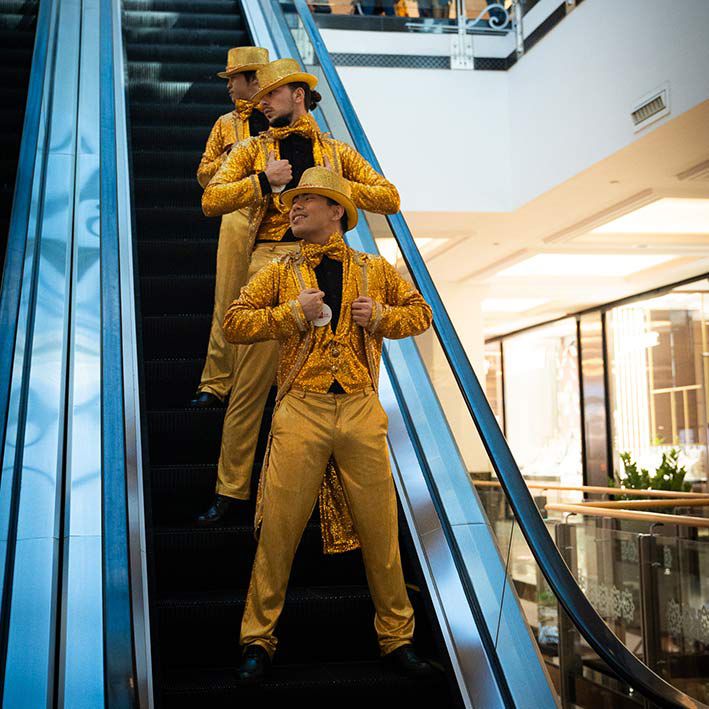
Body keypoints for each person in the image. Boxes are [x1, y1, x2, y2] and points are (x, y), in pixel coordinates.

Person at [221, 166, 435, 683]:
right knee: (278, 530)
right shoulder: (280, 271)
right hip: (302, 408)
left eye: (306, 200)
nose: (293, 206)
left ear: (336, 210)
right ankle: (257, 638)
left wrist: (381, 317)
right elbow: (234, 322)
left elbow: (421, 313)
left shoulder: (374, 269)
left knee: (381, 530)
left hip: (361, 408)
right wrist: (290, 314)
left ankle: (397, 638)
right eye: (292, 200)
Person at [196, 58, 400, 524]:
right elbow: (211, 199)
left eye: (271, 94)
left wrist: (335, 187)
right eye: (259, 96)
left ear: (298, 95)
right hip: (270, 263)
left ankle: (334, 499)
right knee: (250, 385)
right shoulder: (252, 149)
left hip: (330, 266)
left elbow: (388, 197)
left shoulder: (335, 151)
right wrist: (261, 182)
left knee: (337, 384)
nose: (262, 103)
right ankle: (231, 489)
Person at [191, 46, 270, 408]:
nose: (228, 85)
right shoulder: (225, 124)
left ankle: (270, 378)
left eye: (233, 78)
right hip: (237, 213)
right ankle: (216, 382)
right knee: (228, 296)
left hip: (279, 219)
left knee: (274, 298)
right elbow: (204, 175)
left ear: (253, 79)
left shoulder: (282, 117)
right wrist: (226, 160)